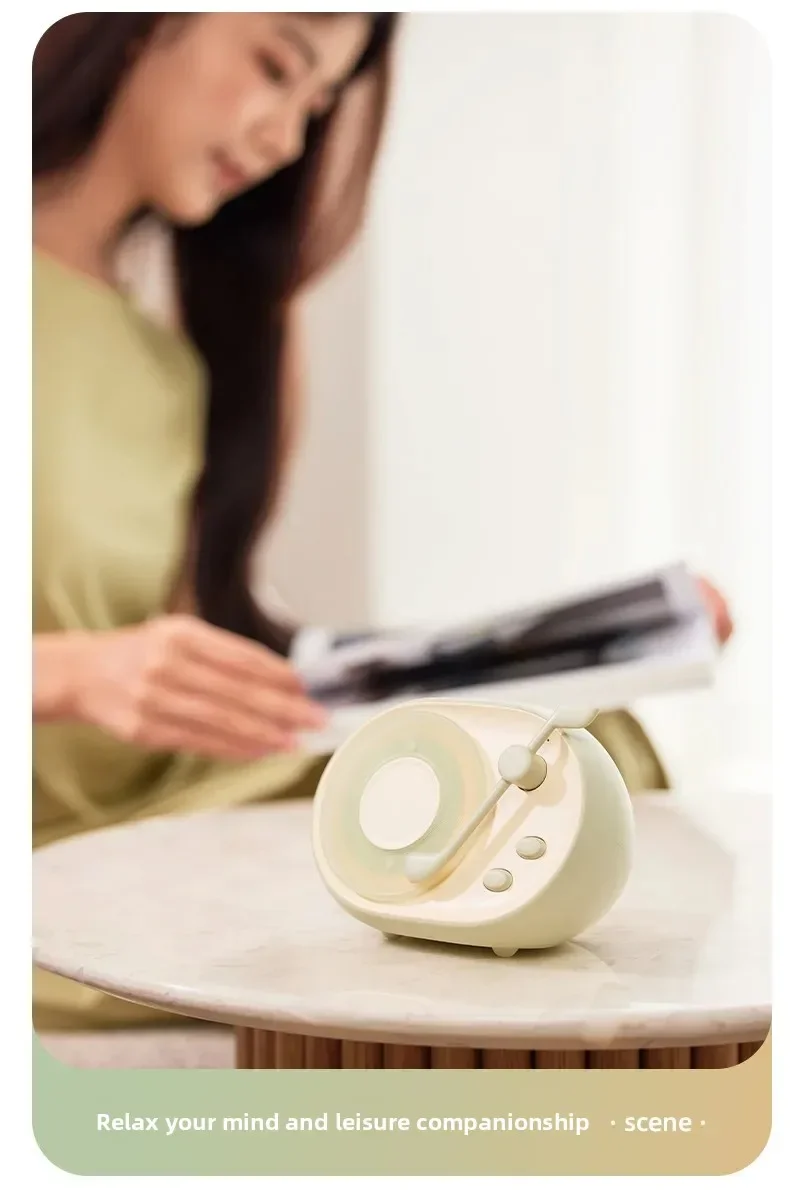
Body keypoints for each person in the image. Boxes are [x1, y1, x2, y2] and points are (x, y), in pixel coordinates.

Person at [32, 13, 733, 1032]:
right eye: (275, 67)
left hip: (183, 788)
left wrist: (582, 644)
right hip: (59, 839)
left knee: (577, 741)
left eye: (316, 106)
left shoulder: (178, 367)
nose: (284, 138)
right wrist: (67, 672)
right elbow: (106, 663)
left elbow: (195, 643)